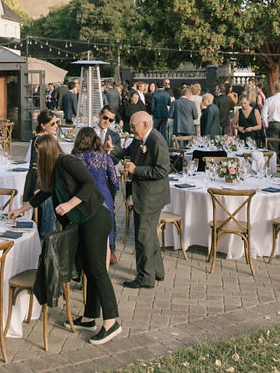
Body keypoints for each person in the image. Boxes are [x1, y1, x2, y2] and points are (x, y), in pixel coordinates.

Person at [9, 135, 122, 344]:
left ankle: (112, 322)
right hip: (83, 222)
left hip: (95, 217)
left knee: (97, 269)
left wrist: (70, 204)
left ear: (48, 152)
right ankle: (89, 318)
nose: (36, 160)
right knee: (89, 268)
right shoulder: (53, 171)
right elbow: (43, 194)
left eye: (39, 155)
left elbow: (88, 184)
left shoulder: (67, 161)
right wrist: (20, 209)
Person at [108, 111, 171, 289]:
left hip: (151, 196)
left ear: (145, 124)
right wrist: (113, 149)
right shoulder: (139, 138)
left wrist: (137, 170)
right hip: (143, 194)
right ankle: (157, 271)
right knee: (149, 235)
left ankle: (145, 277)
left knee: (143, 237)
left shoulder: (157, 141)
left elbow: (162, 170)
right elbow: (129, 152)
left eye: (134, 126)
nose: (131, 129)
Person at [72, 127, 120, 264]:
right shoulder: (105, 157)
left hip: (82, 197)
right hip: (103, 194)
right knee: (107, 225)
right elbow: (115, 182)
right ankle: (108, 253)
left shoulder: (75, 157)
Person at [24, 110, 58, 237]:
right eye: (52, 124)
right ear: (43, 125)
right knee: (49, 200)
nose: (56, 126)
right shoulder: (39, 141)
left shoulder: (51, 138)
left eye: (56, 123)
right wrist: (38, 186)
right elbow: (34, 166)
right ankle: (47, 238)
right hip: (43, 183)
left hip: (51, 180)